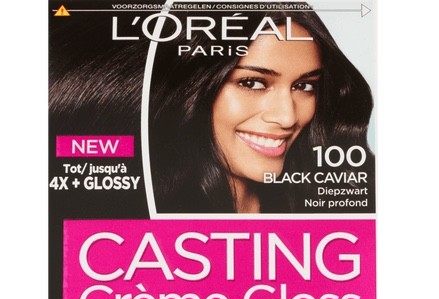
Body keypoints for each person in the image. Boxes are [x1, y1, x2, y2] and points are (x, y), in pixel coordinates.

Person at [150, 6, 374, 213]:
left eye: (304, 86)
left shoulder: (337, 208)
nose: (287, 117)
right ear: (190, 88)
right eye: (252, 83)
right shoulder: (143, 212)